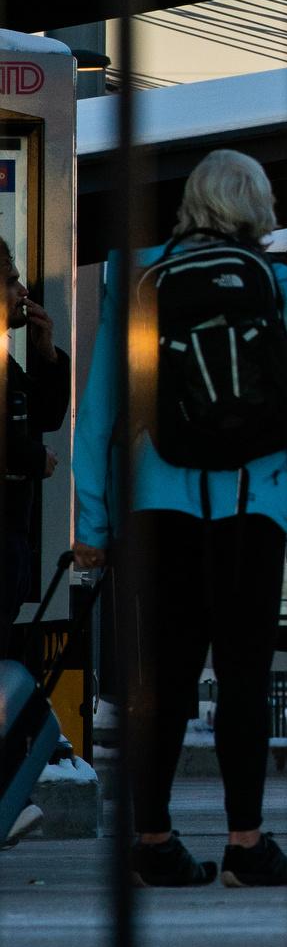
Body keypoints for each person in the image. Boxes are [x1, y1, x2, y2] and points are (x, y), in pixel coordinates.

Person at [73, 149, 287, 887]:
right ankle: (246, 841)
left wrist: (94, 524)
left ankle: (152, 838)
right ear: (260, 207)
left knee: (162, 681)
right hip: (251, 506)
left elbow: (101, 411)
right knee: (244, 679)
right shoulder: (283, 286)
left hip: (158, 507)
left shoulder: (138, 281)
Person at [0, 237, 72, 656]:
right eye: (11, 282)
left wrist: (48, 356)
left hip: (15, 532)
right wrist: (34, 459)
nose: (23, 292)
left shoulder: (7, 358)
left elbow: (45, 417)